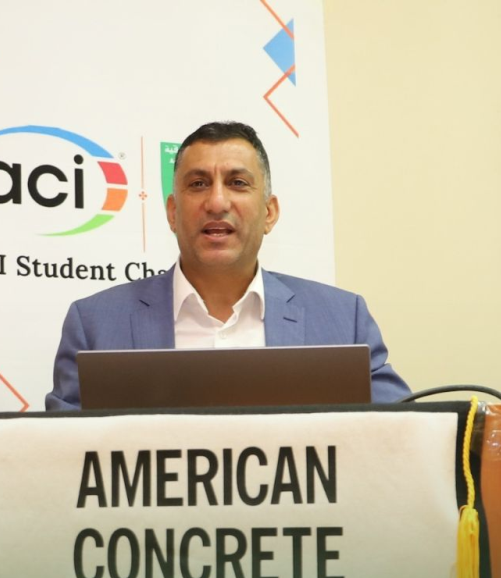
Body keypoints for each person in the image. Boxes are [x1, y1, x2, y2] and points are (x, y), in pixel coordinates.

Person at [45, 121, 410, 409]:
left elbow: (402, 437)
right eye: (198, 184)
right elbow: (61, 459)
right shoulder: (94, 326)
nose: (217, 202)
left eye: (237, 183)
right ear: (172, 213)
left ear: (269, 213)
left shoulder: (344, 321)